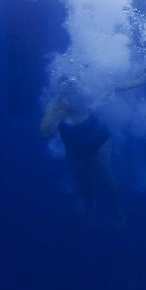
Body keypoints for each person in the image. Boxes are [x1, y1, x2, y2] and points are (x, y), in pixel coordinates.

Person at [40, 77, 126, 224]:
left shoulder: (86, 95)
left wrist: (143, 79)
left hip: (99, 144)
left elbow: (113, 86)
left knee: (108, 182)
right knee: (83, 185)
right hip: (75, 151)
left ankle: (117, 208)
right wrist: (58, 112)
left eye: (71, 87)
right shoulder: (55, 105)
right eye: (65, 89)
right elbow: (44, 133)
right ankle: (89, 206)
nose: (69, 91)